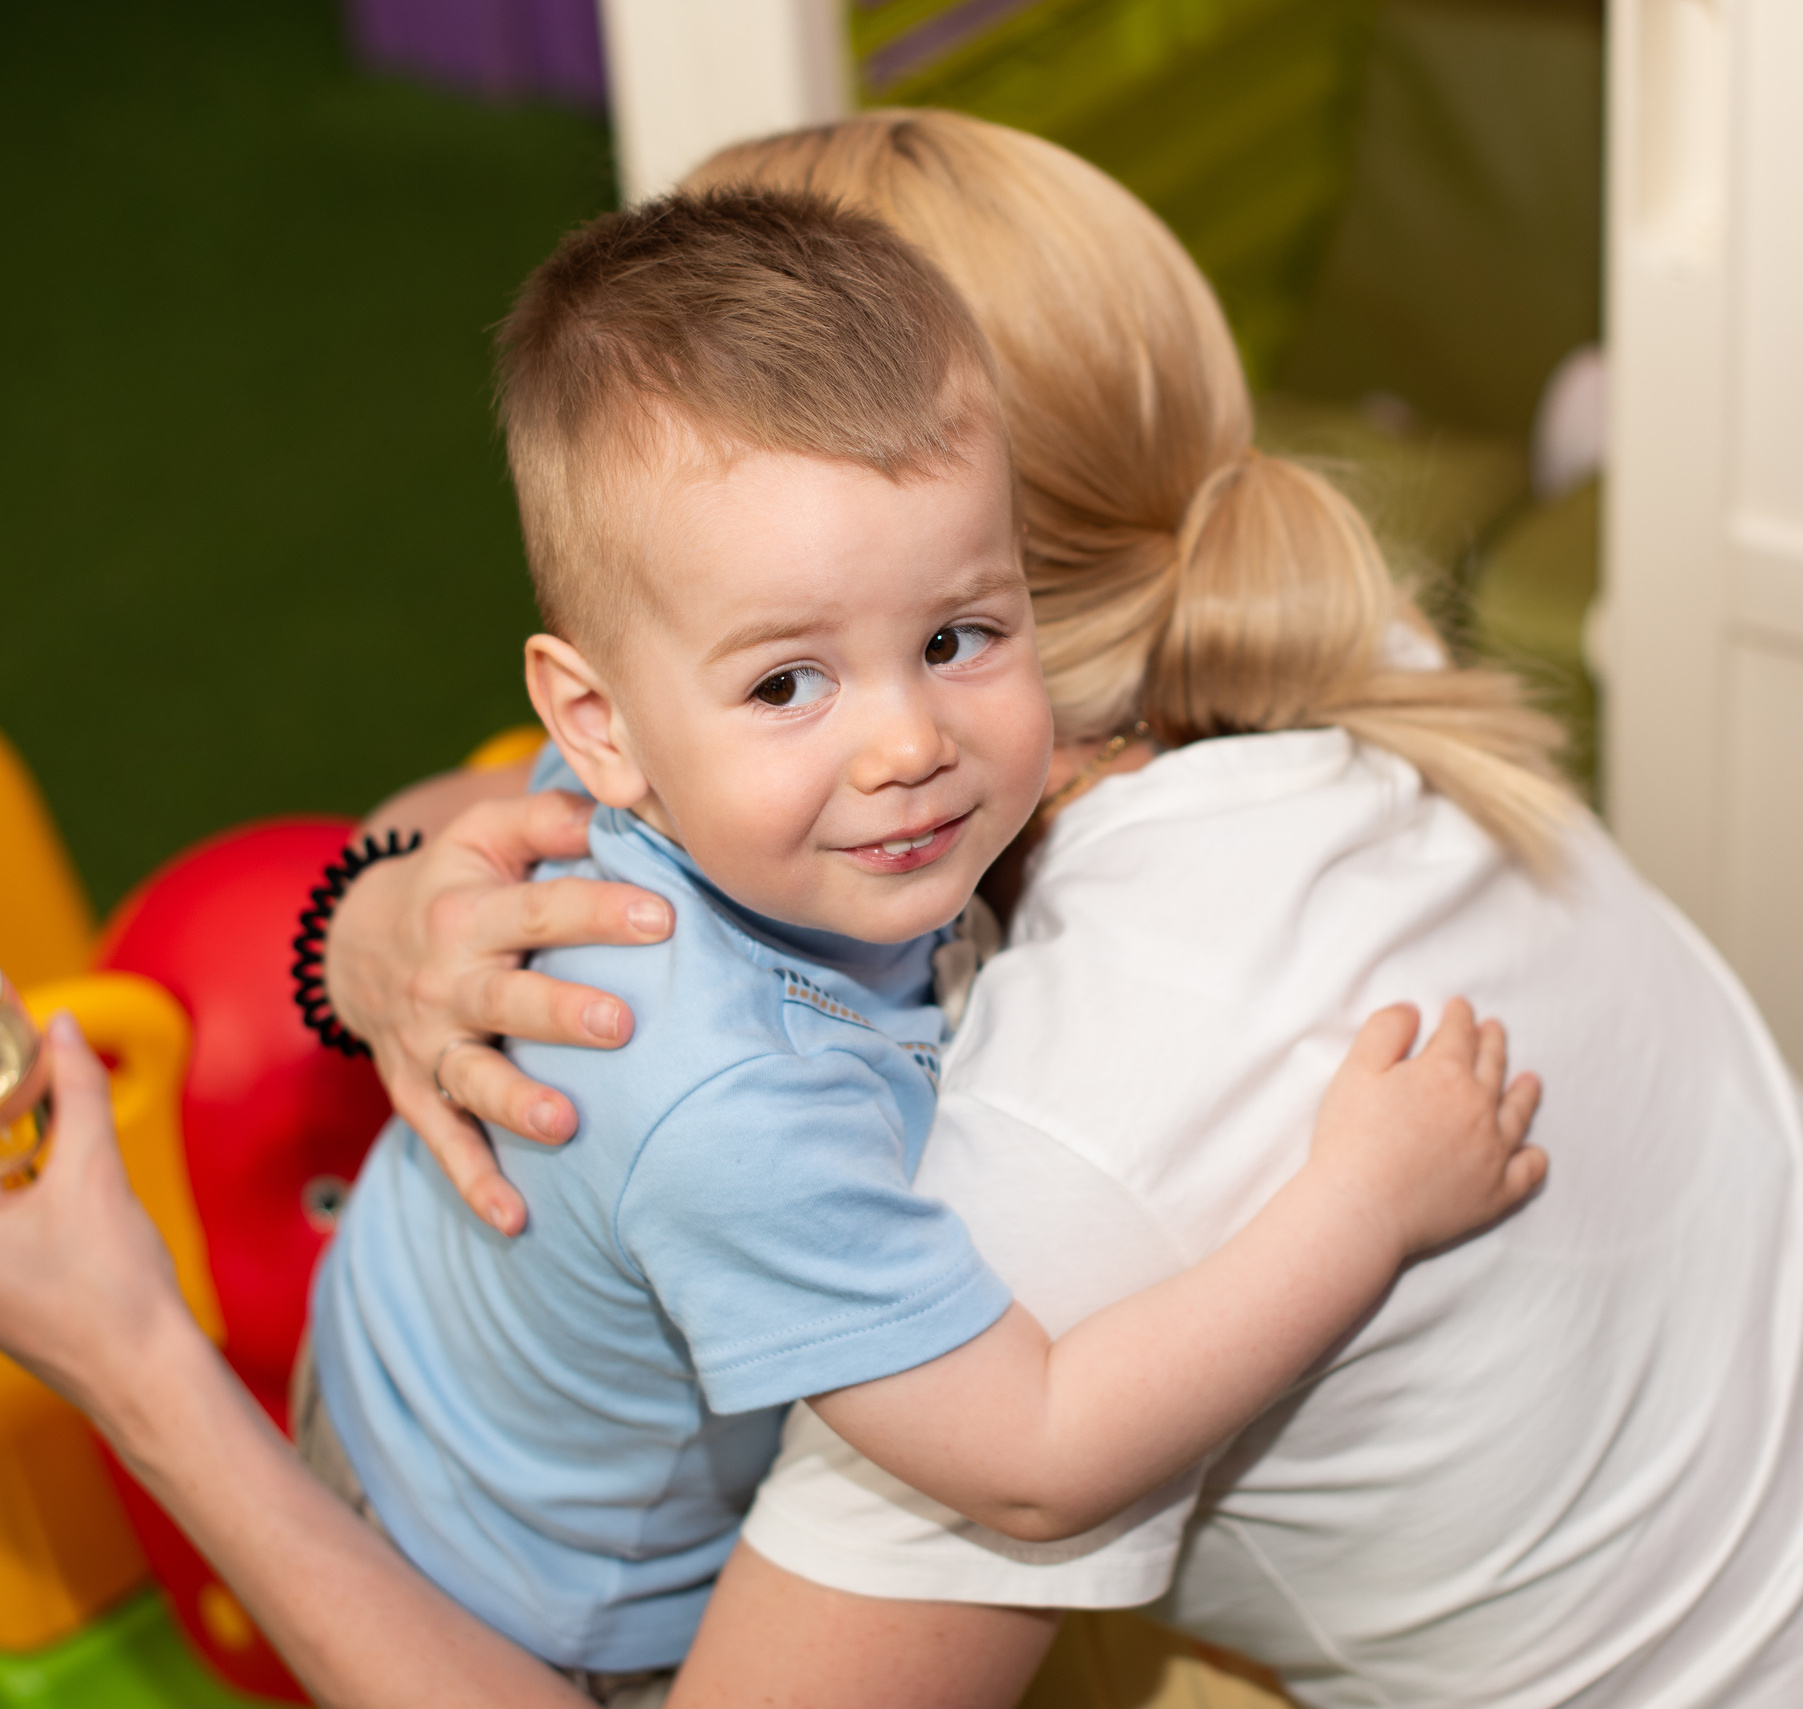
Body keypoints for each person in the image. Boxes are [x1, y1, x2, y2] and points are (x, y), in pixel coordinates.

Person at [0, 111, 1803, 1709]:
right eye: (774, 656)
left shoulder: (1040, 1168)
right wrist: (377, 917)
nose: (875, 712)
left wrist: (120, 1345)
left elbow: (1025, 1420)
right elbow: (505, 786)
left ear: (989, 570)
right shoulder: (1299, 658)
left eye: (921, 634)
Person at [297, 182, 1544, 1694]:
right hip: (522, 1585)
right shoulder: (727, 1108)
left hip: (414, 1357)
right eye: (788, 685)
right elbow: (1033, 1455)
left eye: (959, 637)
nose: (908, 744)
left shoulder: (679, 777)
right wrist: (1368, 1203)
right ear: (598, 722)